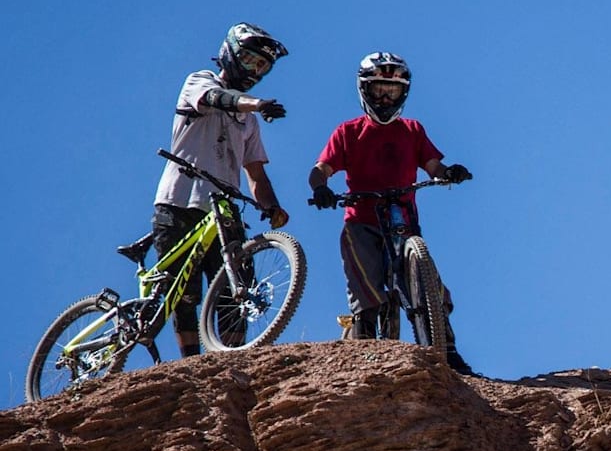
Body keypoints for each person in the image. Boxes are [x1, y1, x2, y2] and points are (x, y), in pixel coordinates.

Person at [308, 51, 474, 373]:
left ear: (404, 93)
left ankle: (449, 353)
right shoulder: (349, 132)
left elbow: (433, 165)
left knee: (432, 285)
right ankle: (365, 346)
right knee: (366, 284)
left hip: (404, 220)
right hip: (362, 220)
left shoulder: (412, 130)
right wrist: (321, 189)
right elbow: (321, 169)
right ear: (364, 91)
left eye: (392, 91)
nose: (385, 97)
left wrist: (449, 172)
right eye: (378, 90)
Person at [153, 23, 291, 358]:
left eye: (262, 66)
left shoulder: (250, 123)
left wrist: (272, 206)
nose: (254, 70)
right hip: (180, 199)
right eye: (249, 60)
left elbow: (256, 173)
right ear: (229, 53)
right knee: (182, 292)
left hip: (224, 208)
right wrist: (256, 104)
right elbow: (216, 99)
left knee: (236, 286)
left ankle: (232, 361)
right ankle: (190, 363)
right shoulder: (199, 81)